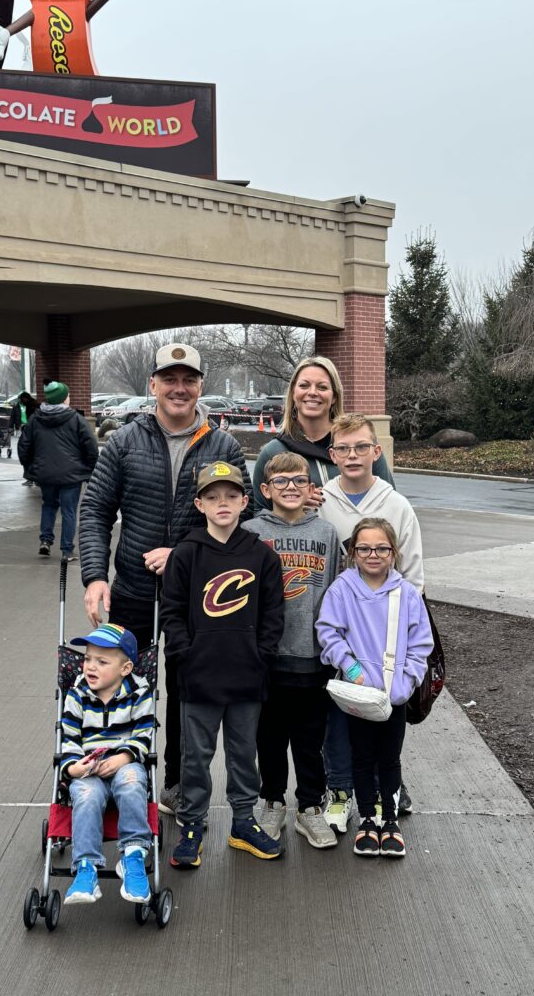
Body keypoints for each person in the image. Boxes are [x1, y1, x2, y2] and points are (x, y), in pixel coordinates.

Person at [78, 342, 252, 818]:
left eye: (189, 379)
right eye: (169, 379)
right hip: (133, 592)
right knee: (122, 686)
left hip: (197, 597)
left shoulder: (224, 446)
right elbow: (94, 509)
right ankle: (111, 774)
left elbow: (244, 516)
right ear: (152, 384)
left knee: (184, 691)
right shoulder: (124, 442)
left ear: (200, 386)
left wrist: (182, 553)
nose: (179, 388)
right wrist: (95, 575)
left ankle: (175, 782)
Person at [161, 461, 285, 868]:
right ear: (199, 504)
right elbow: (173, 611)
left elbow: (273, 615)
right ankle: (192, 823)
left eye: (232, 496)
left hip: (247, 675)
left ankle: (244, 822)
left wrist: (260, 655)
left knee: (242, 754)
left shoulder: (261, 556)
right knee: (195, 756)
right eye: (213, 497)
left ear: (245, 501)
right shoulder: (186, 554)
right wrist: (185, 654)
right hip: (199, 677)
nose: (223, 503)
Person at [318, 413, 425, 830]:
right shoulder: (321, 500)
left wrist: (410, 667)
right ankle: (342, 790)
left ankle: (385, 791)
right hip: (339, 637)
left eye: (362, 447)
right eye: (343, 448)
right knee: (339, 723)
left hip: (387, 646)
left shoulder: (395, 505)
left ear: (376, 452)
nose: (353, 455)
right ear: (332, 455)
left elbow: (413, 579)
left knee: (385, 727)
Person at [316, 517, 432, 858]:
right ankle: (367, 818)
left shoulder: (406, 594)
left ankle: (389, 820)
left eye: (381, 548)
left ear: (393, 552)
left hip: (393, 696)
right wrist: (351, 669)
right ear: (353, 552)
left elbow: (420, 644)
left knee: (389, 759)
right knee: (362, 759)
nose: (373, 554)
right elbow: (327, 631)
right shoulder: (342, 589)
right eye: (364, 548)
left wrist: (406, 682)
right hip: (359, 695)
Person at [241, 451, 340, 849]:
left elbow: (334, 590)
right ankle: (272, 800)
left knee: (310, 735)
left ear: (310, 487)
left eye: (299, 481)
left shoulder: (327, 533)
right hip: (267, 655)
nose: (291, 488)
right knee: (270, 734)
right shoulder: (249, 532)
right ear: (265, 489)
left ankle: (310, 807)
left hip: (312, 654)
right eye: (281, 482)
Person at [60, 623, 155, 907]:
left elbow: (144, 734)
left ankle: (134, 855)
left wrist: (123, 757)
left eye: (102, 661)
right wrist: (74, 768)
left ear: (125, 669)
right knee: (86, 796)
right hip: (87, 767)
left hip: (124, 761)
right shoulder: (77, 696)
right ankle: (86, 866)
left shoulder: (139, 693)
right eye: (87, 658)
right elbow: (68, 739)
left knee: (131, 782)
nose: (90, 666)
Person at [252, 355, 394, 514]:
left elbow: (389, 501)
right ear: (293, 393)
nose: (312, 392)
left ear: (334, 396)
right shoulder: (272, 452)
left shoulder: (362, 445)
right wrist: (290, 505)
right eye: (304, 385)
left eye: (322, 387)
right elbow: (257, 515)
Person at [18, 380, 98, 561]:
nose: (69, 398)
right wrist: (91, 467)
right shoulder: (76, 418)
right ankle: (67, 550)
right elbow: (90, 446)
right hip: (72, 474)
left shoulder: (36, 418)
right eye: (67, 395)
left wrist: (30, 467)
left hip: (45, 473)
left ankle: (45, 541)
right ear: (63, 398)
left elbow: (24, 445)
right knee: (69, 511)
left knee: (49, 505)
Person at [10, 391, 39, 486]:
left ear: (25, 398)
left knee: (29, 457)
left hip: (32, 435)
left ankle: (31, 478)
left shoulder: (32, 406)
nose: (21, 402)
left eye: (21, 400)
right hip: (34, 435)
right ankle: (35, 479)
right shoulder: (33, 405)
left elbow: (33, 420)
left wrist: (27, 427)